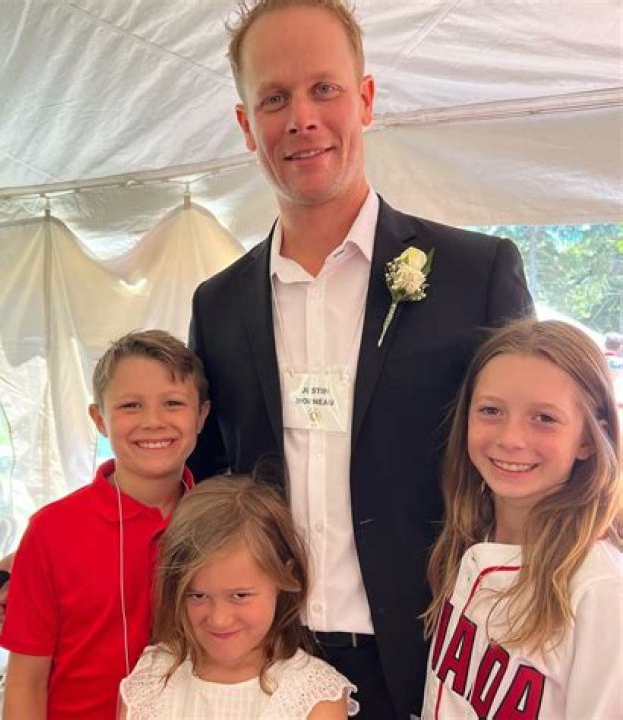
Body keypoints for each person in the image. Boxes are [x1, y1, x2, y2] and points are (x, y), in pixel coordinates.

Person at [188, 1, 533, 716]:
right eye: (274, 99)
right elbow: (203, 477)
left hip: (438, 656)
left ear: (366, 99)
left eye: (324, 89)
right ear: (246, 125)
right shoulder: (217, 305)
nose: (301, 118)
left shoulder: (475, 273)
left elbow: (535, 461)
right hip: (270, 662)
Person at [0, 330, 210, 720]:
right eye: (131, 405)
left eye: (173, 403)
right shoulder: (51, 531)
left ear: (202, 415)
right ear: (99, 419)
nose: (153, 421)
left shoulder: (222, 524)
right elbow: (26, 681)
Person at [422, 319, 622, 718]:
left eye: (544, 418)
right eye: (491, 410)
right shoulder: (471, 533)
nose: (511, 438)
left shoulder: (602, 591)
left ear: (587, 440)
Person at [119, 475, 358, 719]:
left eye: (240, 595)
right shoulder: (151, 678)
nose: (219, 619)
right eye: (198, 596)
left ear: (283, 577)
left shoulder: (314, 696)